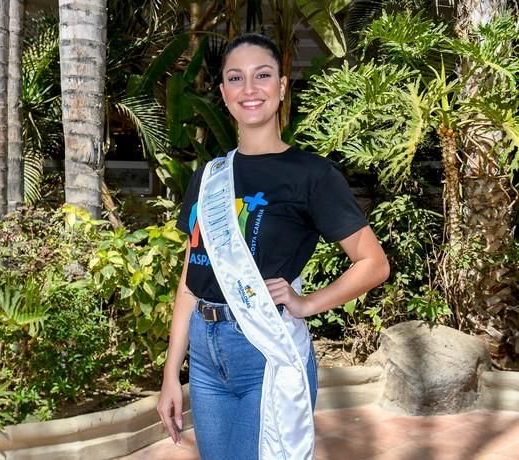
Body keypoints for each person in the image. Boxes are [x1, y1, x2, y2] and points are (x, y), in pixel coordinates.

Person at [156, 33, 390, 460]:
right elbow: (191, 280)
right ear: (224, 93)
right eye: (236, 78)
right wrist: (172, 373)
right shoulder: (208, 176)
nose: (250, 89)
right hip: (205, 357)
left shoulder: (310, 175)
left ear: (282, 87)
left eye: (262, 76)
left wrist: (307, 303)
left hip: (264, 351)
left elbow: (372, 263)